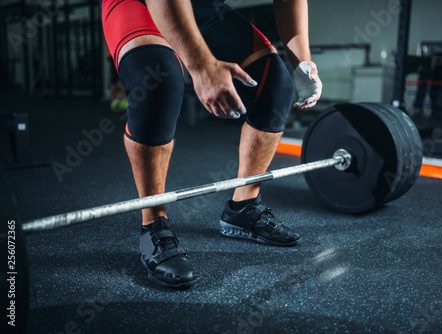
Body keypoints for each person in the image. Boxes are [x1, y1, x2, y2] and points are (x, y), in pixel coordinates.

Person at [101, 0, 322, 289]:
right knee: (158, 80)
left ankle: (244, 208)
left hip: (206, 8)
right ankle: (153, 223)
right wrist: (200, 66)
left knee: (276, 84)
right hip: (139, 3)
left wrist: (301, 61)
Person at [105, 44, 128, 110]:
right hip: (115, 53)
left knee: (117, 76)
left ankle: (118, 100)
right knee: (119, 76)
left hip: (115, 53)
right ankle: (118, 100)